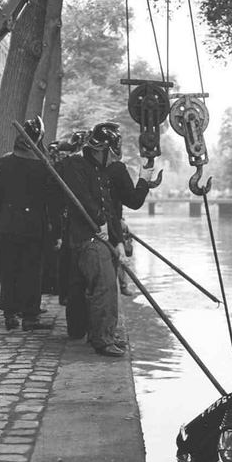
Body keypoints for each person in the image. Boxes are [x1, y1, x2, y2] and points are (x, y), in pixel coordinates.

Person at [57, 122, 125, 357]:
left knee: (108, 287)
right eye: (111, 153)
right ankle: (101, 339)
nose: (113, 158)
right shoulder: (76, 164)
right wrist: (100, 221)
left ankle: (106, 332)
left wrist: (115, 234)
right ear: (101, 149)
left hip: (101, 237)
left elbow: (108, 205)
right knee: (103, 287)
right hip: (88, 238)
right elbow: (83, 198)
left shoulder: (97, 169)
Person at [0, 116, 61, 330]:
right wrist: (54, 228)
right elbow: (52, 201)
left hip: (9, 226)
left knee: (10, 269)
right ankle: (30, 316)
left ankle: (10, 314)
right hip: (32, 227)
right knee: (31, 270)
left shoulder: (5, 161)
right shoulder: (43, 166)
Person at [104, 125, 154, 296]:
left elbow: (112, 200)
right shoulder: (116, 169)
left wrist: (121, 219)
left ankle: (122, 284)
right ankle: (121, 286)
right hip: (108, 228)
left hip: (101, 224)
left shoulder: (86, 167)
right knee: (117, 254)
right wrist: (144, 180)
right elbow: (134, 200)